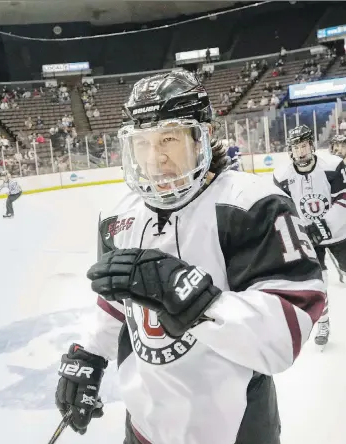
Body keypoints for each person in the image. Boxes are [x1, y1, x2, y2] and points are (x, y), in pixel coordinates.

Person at [54, 70, 325, 444]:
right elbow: (117, 302)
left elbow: (287, 331)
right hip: (145, 427)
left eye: (169, 138)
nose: (156, 157)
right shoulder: (117, 218)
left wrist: (192, 298)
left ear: (202, 137)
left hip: (235, 429)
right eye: (143, 144)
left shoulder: (252, 204)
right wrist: (89, 355)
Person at [273, 125, 346, 347]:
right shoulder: (282, 176)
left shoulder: (333, 166)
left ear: (312, 145)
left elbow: (343, 199)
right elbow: (282, 210)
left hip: (341, 234)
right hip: (309, 238)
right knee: (318, 282)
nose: (301, 151)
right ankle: (323, 322)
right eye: (296, 147)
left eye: (304, 145)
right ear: (290, 151)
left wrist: (324, 226)